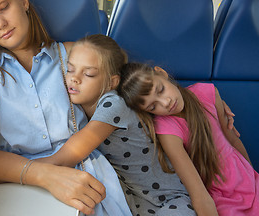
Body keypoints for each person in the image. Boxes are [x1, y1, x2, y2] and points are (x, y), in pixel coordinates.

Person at [0, 0, 131, 215]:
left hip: (83, 169)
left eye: (3, 7)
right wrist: (42, 174)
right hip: (19, 177)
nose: (0, 23)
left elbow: (119, 90)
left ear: (22, 0)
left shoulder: (74, 54)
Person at [36, 34, 197, 216]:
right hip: (137, 204)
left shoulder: (113, 104)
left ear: (112, 82)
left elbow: (68, 155)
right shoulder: (81, 108)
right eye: (70, 70)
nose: (75, 79)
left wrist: (21, 171)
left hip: (170, 200)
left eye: (88, 74)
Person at [117, 62, 259, 216]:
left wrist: (253, 175)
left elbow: (233, 141)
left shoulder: (207, 92)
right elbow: (198, 192)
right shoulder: (167, 131)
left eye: (161, 90)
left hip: (249, 180)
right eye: (153, 107)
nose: (166, 103)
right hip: (222, 197)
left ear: (162, 73)